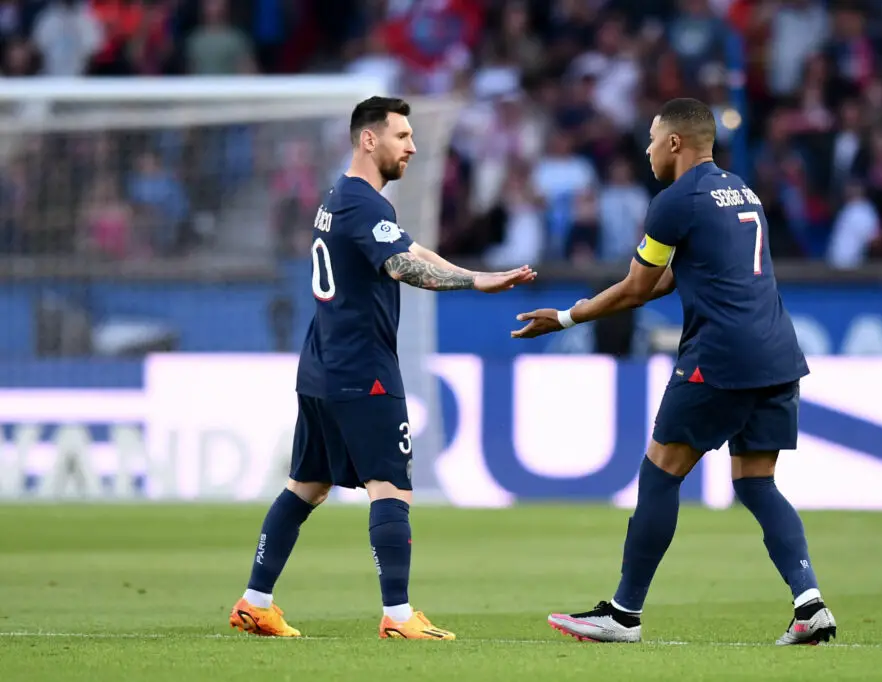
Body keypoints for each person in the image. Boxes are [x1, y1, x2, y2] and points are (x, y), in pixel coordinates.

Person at [511, 98, 836, 646]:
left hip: (721, 356)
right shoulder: (742, 190)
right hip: (778, 353)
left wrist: (567, 316)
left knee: (661, 472)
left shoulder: (675, 201)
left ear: (676, 143)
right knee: (757, 483)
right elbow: (675, 276)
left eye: (653, 139)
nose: (647, 150)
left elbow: (638, 288)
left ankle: (623, 614)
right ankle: (810, 604)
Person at [229, 96, 536, 640]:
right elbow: (401, 266)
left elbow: (410, 248)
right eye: (402, 136)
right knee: (391, 487)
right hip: (362, 368)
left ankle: (255, 602)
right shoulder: (365, 205)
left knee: (306, 486)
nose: (413, 147)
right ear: (369, 140)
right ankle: (398, 615)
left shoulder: (340, 197)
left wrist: (477, 276)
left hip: (321, 364)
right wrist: (471, 283)